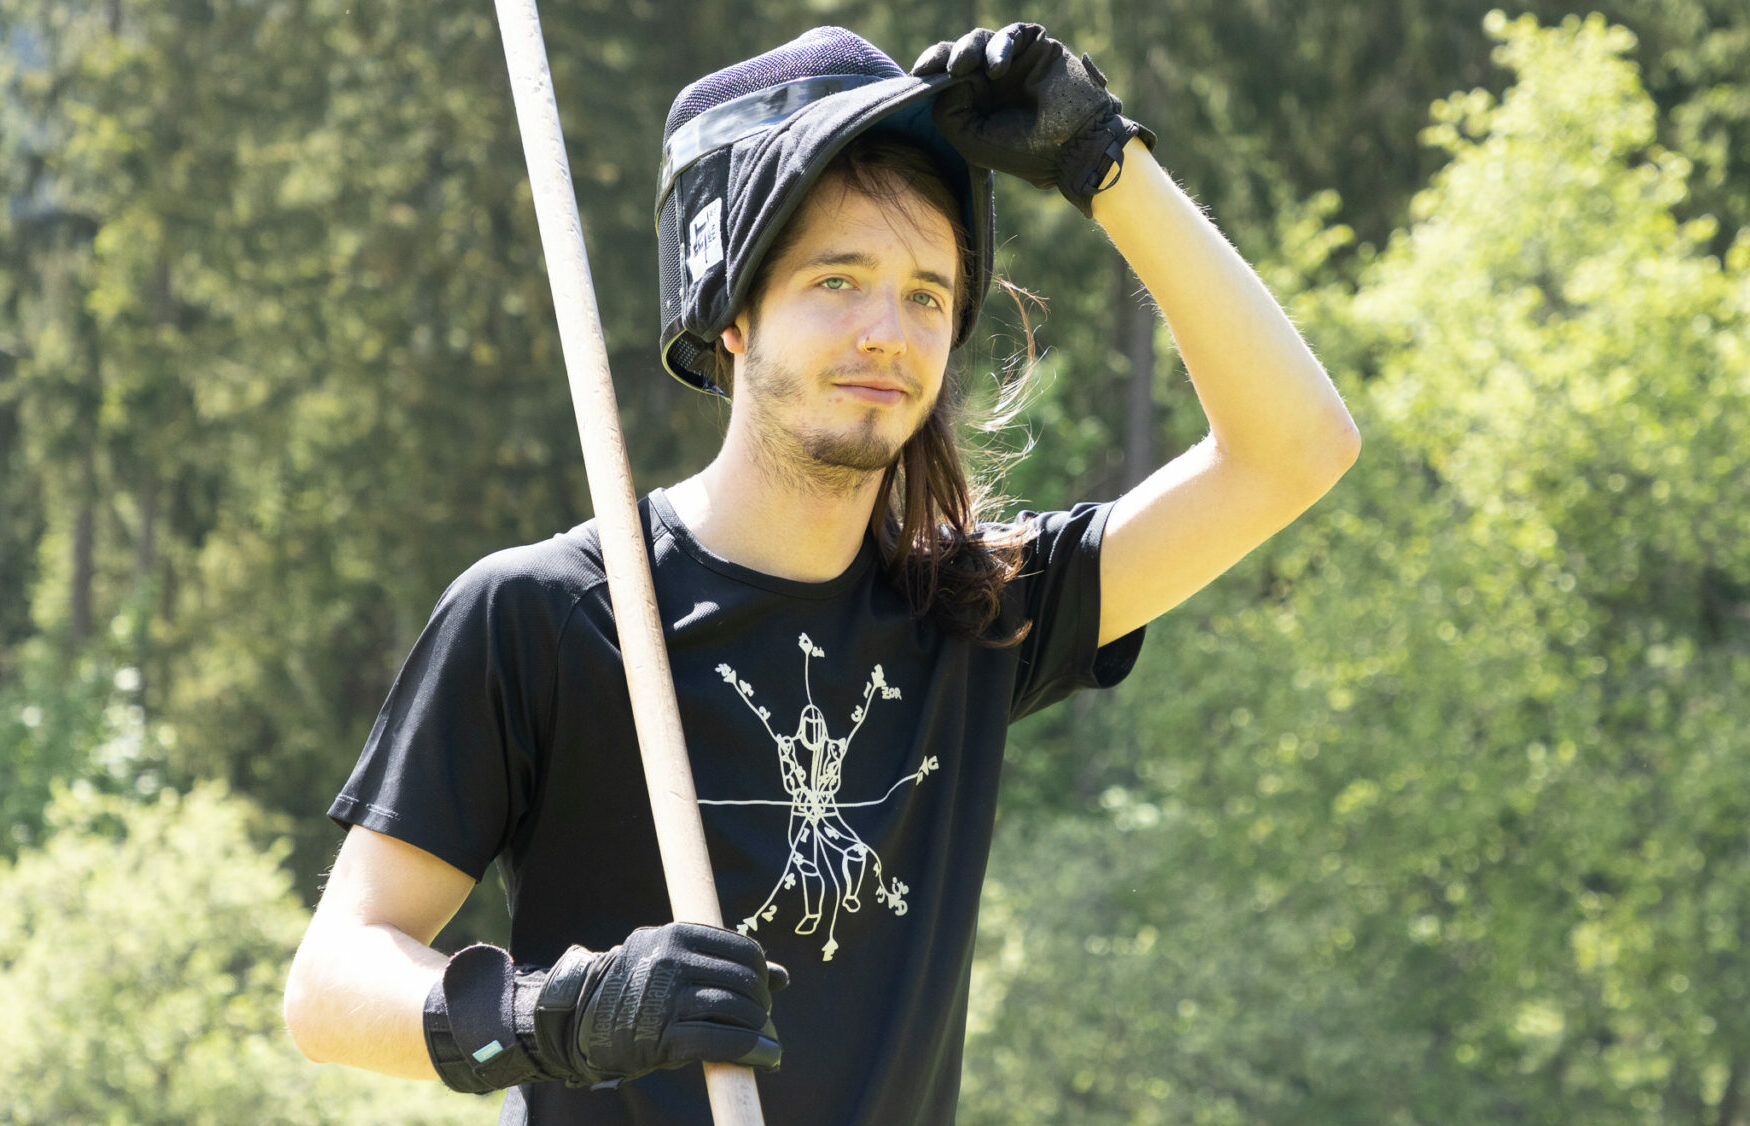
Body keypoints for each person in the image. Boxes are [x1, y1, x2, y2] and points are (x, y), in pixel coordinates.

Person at [283, 22, 1359, 1126]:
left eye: (927, 293)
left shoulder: (975, 615)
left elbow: (1295, 450)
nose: (887, 332)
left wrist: (1108, 165)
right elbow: (329, 988)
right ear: (732, 313)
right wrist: (563, 1012)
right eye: (838, 280)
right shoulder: (552, 614)